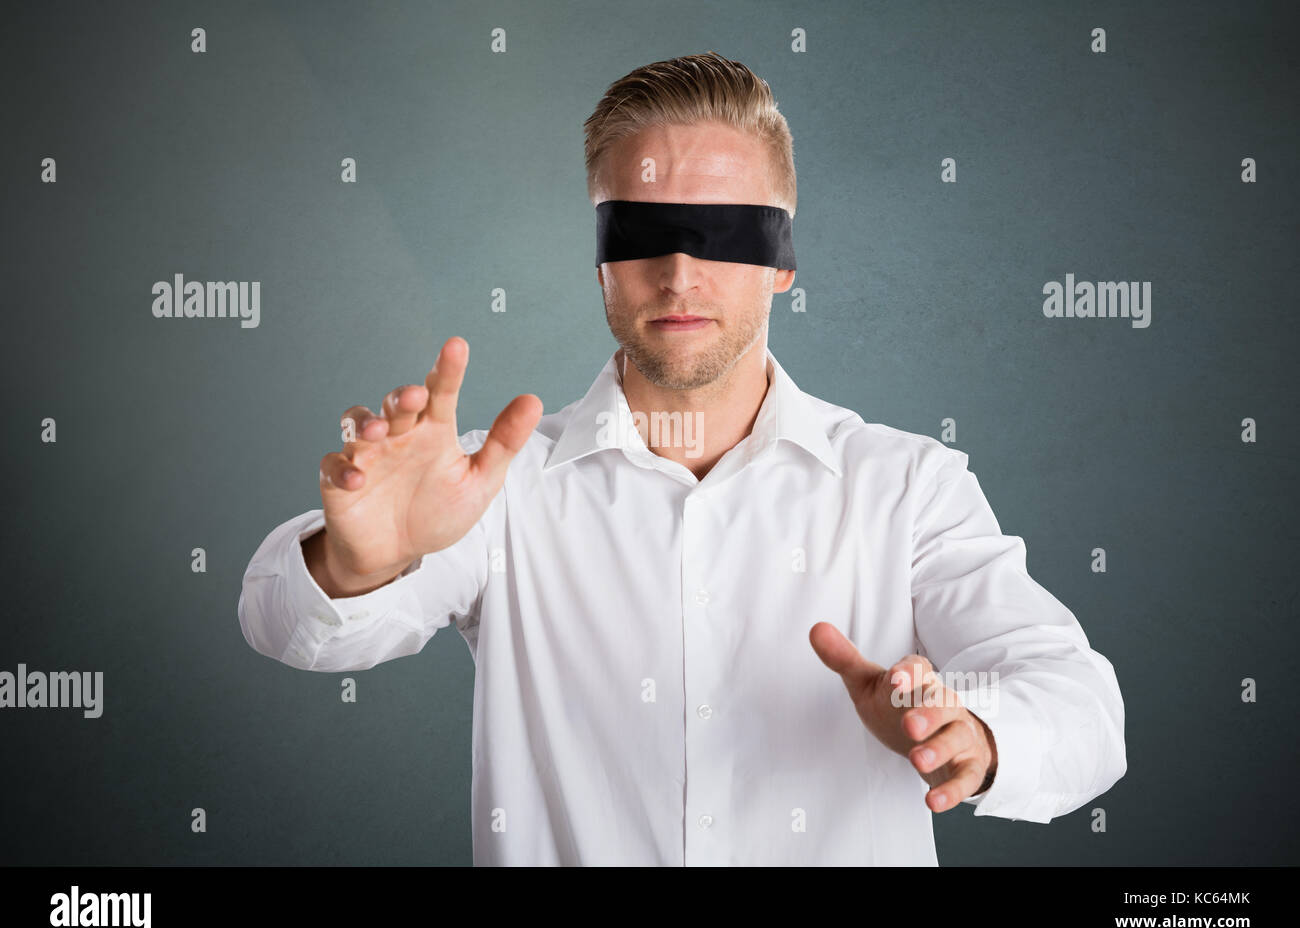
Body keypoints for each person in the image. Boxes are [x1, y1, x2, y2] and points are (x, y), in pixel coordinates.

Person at [238, 52, 1126, 865]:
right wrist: (361, 561)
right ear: (598, 258)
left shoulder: (907, 488)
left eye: (727, 230)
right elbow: (285, 627)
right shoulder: (491, 489)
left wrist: (975, 730)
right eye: (640, 230)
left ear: (783, 259)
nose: (678, 270)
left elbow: (1082, 704)